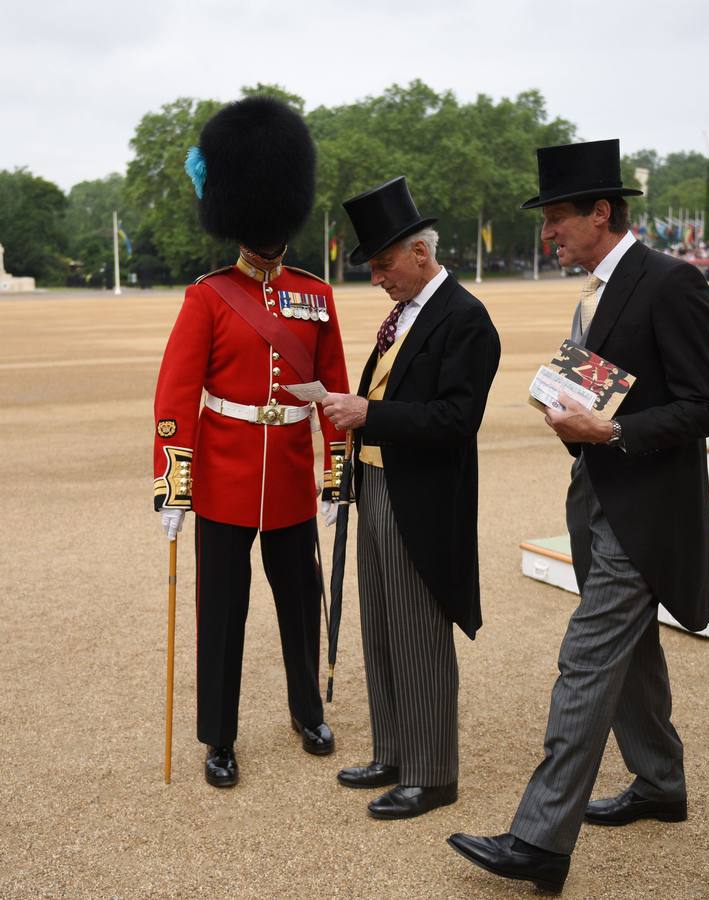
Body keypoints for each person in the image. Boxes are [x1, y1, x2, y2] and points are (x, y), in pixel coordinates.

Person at [447, 139, 709, 892]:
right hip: (599, 499)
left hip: (646, 510)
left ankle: (540, 841)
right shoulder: (595, 293)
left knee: (585, 661)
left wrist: (614, 431)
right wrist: (567, 401)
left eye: (557, 221)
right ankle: (661, 783)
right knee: (629, 654)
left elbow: (705, 408)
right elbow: (610, 387)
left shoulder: (673, 283)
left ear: (602, 213)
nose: (547, 236)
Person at [152, 96, 351, 788]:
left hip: (292, 476)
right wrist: (174, 485)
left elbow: (334, 391)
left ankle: (308, 710)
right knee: (222, 612)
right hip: (225, 477)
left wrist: (336, 476)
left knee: (301, 602)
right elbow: (175, 396)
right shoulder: (207, 296)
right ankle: (220, 735)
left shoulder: (314, 295)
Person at [321, 177, 500, 819]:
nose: (376, 277)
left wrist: (368, 412)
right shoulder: (406, 315)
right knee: (380, 626)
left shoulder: (466, 319)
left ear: (419, 254)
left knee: (419, 631)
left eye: (383, 263)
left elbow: (455, 420)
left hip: (419, 498)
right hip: (377, 487)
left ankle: (433, 773)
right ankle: (395, 751)